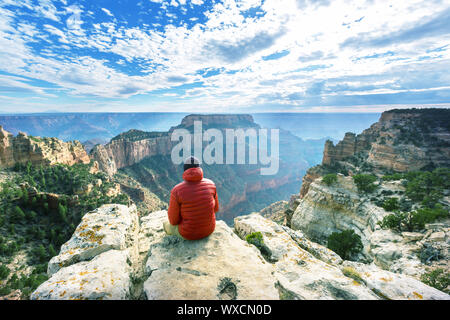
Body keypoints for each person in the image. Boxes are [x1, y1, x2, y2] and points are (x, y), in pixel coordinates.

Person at [164, 156, 219, 240]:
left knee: (166, 224)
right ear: (199, 168)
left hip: (188, 233)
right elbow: (215, 209)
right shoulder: (211, 184)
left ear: (185, 170)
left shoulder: (176, 190)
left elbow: (173, 221)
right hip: (209, 229)